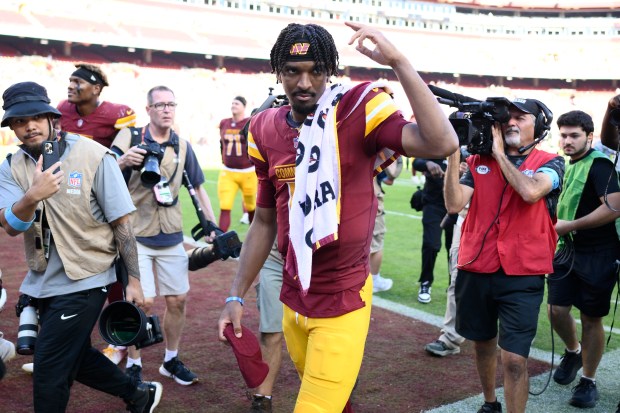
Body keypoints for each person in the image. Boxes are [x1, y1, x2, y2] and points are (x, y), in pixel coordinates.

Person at [218, 22, 458, 413]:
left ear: (330, 71)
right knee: (334, 402)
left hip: (343, 299)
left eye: (315, 70)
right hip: (294, 298)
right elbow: (265, 221)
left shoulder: (358, 108)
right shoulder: (263, 127)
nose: (304, 82)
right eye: (293, 71)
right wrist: (235, 293)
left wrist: (397, 61)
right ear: (278, 72)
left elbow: (441, 142)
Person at [0, 81, 162, 412]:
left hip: (88, 278)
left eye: (35, 118)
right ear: (12, 126)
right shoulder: (10, 166)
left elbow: (122, 223)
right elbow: (10, 225)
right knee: (74, 355)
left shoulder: (92, 155)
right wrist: (32, 195)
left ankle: (137, 394)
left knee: (48, 368)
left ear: (50, 118)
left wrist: (134, 281)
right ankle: (138, 394)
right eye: (19, 121)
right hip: (42, 280)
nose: (28, 126)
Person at [444, 98, 565, 413]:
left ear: (538, 126)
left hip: (522, 272)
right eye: (506, 117)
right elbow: (455, 204)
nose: (511, 122)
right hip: (476, 265)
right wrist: (453, 152)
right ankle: (489, 403)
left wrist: (499, 154)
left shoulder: (551, 161)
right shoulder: (476, 161)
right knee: (482, 342)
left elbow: (530, 192)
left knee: (513, 360)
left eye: (520, 118)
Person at [112, 85, 217, 386]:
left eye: (171, 104)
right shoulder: (129, 137)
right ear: (148, 109)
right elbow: (103, 173)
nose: (167, 109)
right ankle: (134, 362)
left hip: (171, 234)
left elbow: (197, 187)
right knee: (140, 302)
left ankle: (170, 360)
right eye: (160, 105)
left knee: (178, 300)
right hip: (135, 234)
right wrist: (123, 161)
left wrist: (210, 225)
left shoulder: (182, 146)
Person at [57, 62, 137, 366]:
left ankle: (121, 339)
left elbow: (120, 150)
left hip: (104, 205)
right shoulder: (63, 109)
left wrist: (109, 162)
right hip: (70, 204)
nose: (71, 86)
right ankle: (65, 342)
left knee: (115, 272)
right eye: (70, 80)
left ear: (96, 89)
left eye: (78, 81)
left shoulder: (116, 113)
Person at [547, 110, 620, 408]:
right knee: (555, 310)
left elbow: (614, 207)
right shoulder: (568, 163)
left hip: (599, 253)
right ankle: (573, 351)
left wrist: (571, 225)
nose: (567, 141)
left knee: (592, 318)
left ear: (589, 137)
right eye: (563, 135)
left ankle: (588, 380)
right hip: (567, 250)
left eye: (574, 135)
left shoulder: (600, 165)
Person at [424, 155, 469, 356]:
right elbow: (453, 204)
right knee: (457, 280)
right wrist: (457, 168)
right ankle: (450, 337)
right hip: (466, 221)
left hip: (503, 223)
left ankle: (508, 336)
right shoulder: (470, 155)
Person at [412, 157, 455, 303]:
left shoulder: (465, 147)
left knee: (454, 249)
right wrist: (427, 164)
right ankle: (425, 282)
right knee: (431, 245)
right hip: (433, 204)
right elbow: (416, 162)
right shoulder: (437, 144)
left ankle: (453, 286)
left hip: (456, 205)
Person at [250, 240, 285, 413]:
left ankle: (340, 378)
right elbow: (262, 222)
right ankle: (263, 400)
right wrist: (235, 295)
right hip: (277, 257)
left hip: (323, 262)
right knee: (270, 331)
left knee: (319, 332)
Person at [217, 96, 256, 232]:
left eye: (237, 103)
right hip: (228, 172)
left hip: (248, 172)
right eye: (232, 103)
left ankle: (254, 240)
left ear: (244, 107)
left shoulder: (250, 122)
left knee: (252, 208)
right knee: (225, 206)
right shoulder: (224, 123)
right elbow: (221, 144)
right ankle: (220, 243)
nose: (233, 105)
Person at [370, 156, 403, 293]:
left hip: (347, 198)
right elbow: (392, 175)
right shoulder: (376, 147)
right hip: (370, 197)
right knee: (376, 242)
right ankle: (374, 280)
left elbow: (388, 180)